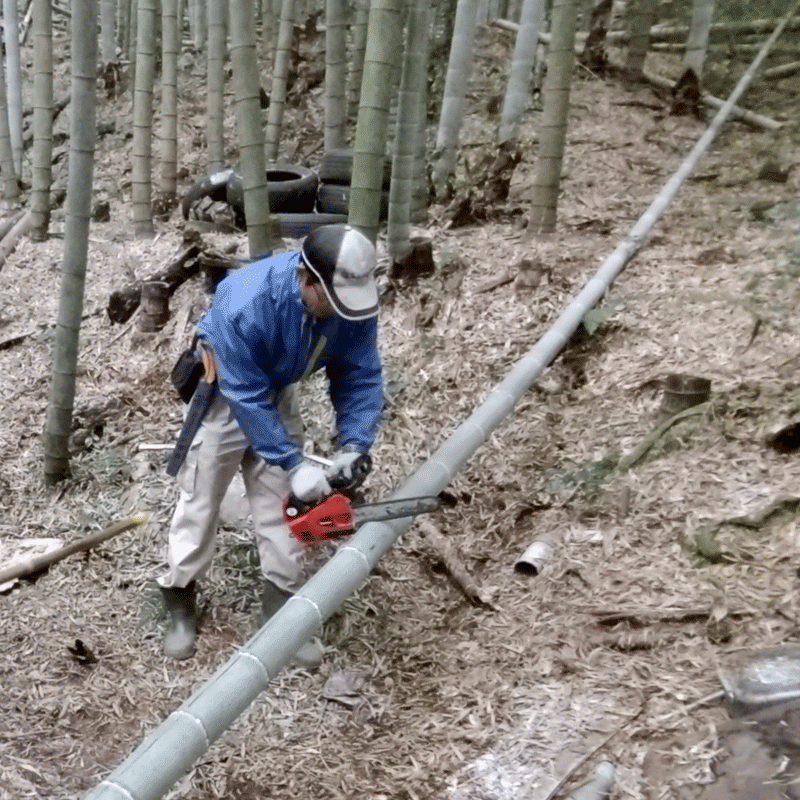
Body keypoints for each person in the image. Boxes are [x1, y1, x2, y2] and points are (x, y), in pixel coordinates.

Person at [156, 223, 382, 665]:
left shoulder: (352, 304)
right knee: (200, 497)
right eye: (329, 302)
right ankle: (179, 596)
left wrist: (354, 444)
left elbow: (359, 375)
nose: (338, 312)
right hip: (225, 387)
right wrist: (295, 463)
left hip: (278, 388)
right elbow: (245, 395)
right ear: (304, 277)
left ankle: (279, 609)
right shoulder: (245, 298)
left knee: (283, 504)